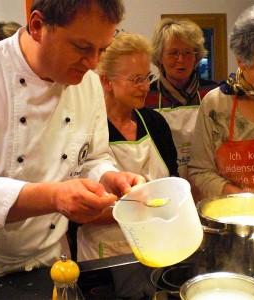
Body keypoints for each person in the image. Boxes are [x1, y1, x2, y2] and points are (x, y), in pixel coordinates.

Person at [0, 0, 146, 279]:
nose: (93, 63)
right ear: (38, 25)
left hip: (53, 260)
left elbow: (94, 157)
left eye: (102, 49)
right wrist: (55, 196)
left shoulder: (87, 81)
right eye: (82, 47)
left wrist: (110, 177)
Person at [76, 32, 178, 299]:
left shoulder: (155, 124)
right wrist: (144, 209)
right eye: (136, 79)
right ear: (105, 81)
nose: (145, 86)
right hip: (103, 260)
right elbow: (75, 209)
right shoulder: (85, 132)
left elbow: (174, 182)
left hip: (156, 250)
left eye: (147, 77)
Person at [188, 4, 254, 200]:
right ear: (242, 60)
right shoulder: (216, 105)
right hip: (237, 222)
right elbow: (200, 173)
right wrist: (247, 202)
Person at [144, 18, 218, 179]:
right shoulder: (146, 96)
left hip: (208, 182)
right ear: (159, 57)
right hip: (164, 184)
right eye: (173, 53)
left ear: (196, 57)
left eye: (187, 53)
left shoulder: (213, 93)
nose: (181, 60)